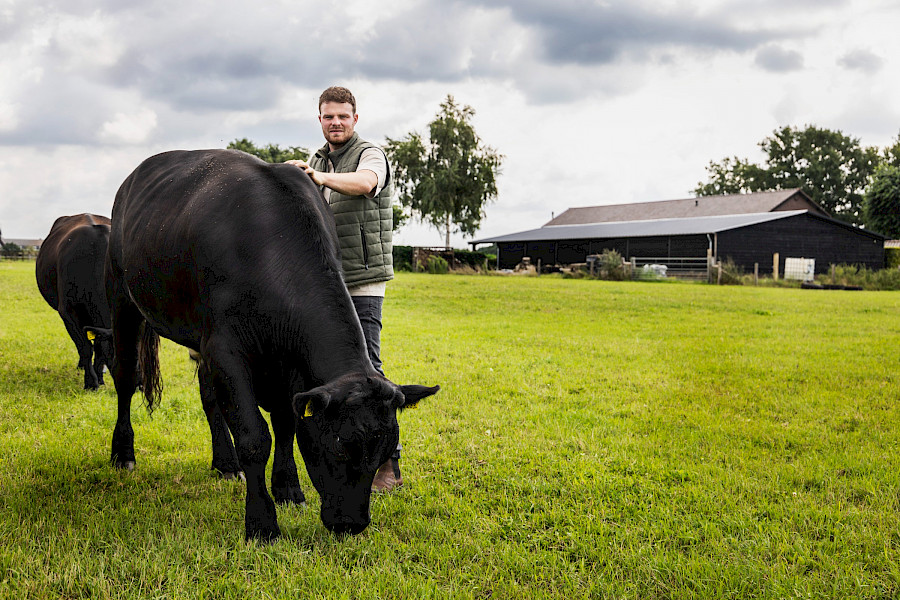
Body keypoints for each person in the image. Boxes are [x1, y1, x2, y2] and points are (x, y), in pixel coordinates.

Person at [286, 86, 402, 492]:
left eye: (343, 116)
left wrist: (318, 178)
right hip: (324, 284)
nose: (335, 122)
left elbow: (366, 183)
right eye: (328, 116)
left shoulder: (371, 154)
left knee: (370, 371)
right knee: (319, 370)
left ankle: (389, 464)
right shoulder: (315, 159)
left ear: (356, 119)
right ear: (319, 119)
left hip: (364, 279)